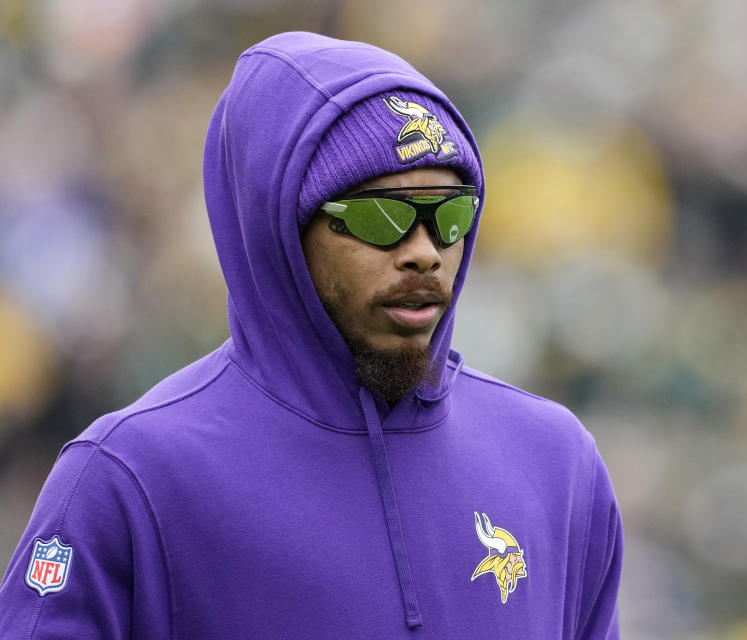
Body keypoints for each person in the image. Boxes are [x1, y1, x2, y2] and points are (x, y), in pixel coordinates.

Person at [0, 32, 623, 638]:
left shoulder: (555, 461)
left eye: (451, 214)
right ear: (279, 236)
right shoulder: (132, 476)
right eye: (382, 217)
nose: (425, 253)